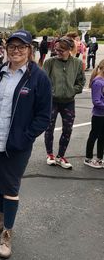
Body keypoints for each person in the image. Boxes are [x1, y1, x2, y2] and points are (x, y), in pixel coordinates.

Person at [0, 30, 52, 259]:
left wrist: (25, 137)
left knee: (10, 188)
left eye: (22, 47)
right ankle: (0, 219)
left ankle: (7, 232)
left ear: (30, 49)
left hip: (16, 145)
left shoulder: (38, 78)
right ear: (6, 49)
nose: (16, 50)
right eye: (12, 46)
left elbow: (43, 115)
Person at [43, 37, 86, 169]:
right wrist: (51, 91)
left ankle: (61, 156)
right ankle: (49, 154)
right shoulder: (50, 62)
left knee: (68, 129)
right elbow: (43, 81)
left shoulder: (77, 63)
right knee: (49, 127)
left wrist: (73, 90)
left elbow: (81, 81)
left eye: (61, 50)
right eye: (56, 50)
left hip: (68, 101)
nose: (58, 52)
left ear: (69, 50)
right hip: (52, 101)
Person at [83, 59, 104, 168]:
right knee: (94, 136)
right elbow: (96, 101)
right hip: (98, 115)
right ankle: (88, 158)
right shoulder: (98, 82)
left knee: (102, 137)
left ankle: (100, 159)